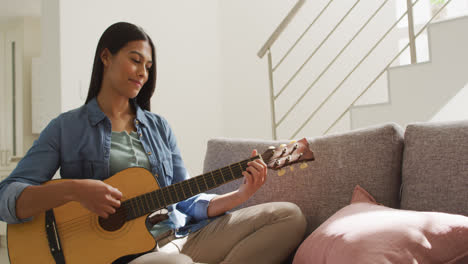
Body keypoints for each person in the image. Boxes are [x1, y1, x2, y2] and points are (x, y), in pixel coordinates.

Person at [0, 22, 306, 264]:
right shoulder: (67, 127)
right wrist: (75, 190)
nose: (143, 73)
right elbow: (7, 197)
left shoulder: (159, 127)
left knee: (288, 216)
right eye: (135, 61)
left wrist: (241, 194)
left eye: (148, 66)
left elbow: (185, 197)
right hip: (125, 254)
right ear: (106, 57)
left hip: (180, 237)